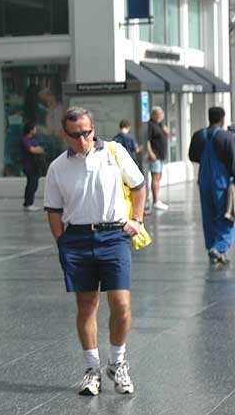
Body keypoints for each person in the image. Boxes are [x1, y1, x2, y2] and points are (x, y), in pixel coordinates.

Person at [44, 107, 146, 396]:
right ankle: (92, 369)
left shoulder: (114, 152)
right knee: (86, 305)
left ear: (93, 129)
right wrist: (61, 241)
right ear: (65, 134)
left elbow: (138, 186)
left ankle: (118, 363)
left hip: (114, 235)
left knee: (121, 303)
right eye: (75, 134)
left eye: (86, 132)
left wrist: (137, 219)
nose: (82, 139)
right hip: (76, 237)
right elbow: (53, 210)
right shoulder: (57, 167)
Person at [189, 107, 235, 265]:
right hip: (221, 182)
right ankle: (219, 247)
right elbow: (233, 159)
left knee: (208, 216)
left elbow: (192, 156)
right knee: (228, 216)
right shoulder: (227, 137)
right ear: (222, 119)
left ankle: (211, 247)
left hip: (203, 180)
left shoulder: (199, 135)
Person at [147, 107, 170, 210]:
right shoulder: (151, 125)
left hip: (161, 155)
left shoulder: (160, 125)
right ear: (153, 114)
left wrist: (166, 131)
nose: (161, 115)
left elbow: (167, 136)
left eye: (161, 113)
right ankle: (155, 201)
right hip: (155, 155)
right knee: (155, 177)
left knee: (159, 177)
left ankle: (157, 199)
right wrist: (151, 153)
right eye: (158, 113)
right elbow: (147, 140)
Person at [20, 121, 45, 211]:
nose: (36, 130)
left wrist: (37, 149)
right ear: (30, 130)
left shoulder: (33, 140)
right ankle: (28, 203)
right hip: (28, 166)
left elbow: (40, 149)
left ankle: (30, 202)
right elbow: (32, 150)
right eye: (34, 128)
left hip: (35, 166)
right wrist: (36, 149)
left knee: (34, 184)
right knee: (31, 184)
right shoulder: (25, 140)